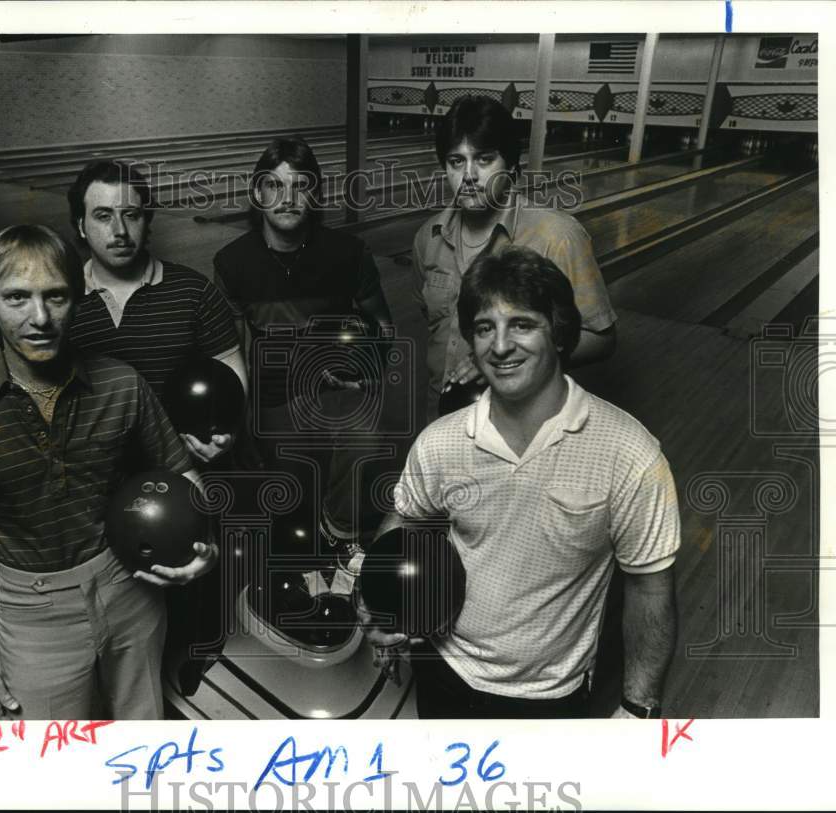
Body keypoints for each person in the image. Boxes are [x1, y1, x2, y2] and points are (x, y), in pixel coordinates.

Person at [361, 247, 679, 719]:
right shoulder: (442, 442)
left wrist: (638, 708)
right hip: (442, 669)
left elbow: (650, 588)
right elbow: (404, 519)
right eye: (485, 327)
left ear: (560, 333)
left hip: (550, 697)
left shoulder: (630, 454)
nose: (501, 345)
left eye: (522, 325)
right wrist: (379, 599)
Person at [0, 224, 218, 720]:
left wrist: (200, 546)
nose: (39, 318)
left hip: (129, 585)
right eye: (17, 297)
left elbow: (182, 473)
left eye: (55, 296)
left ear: (76, 298)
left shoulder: (122, 384)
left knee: (142, 732)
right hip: (33, 611)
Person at [213, 137, 396, 560]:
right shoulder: (232, 262)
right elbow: (231, 351)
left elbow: (383, 325)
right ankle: (295, 547)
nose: (288, 198)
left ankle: (340, 533)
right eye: (275, 186)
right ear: (257, 194)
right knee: (289, 495)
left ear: (314, 193)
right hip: (275, 393)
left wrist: (365, 366)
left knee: (366, 438)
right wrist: (238, 417)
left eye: (300, 185)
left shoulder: (350, 254)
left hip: (339, 393)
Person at [413, 94, 617, 425]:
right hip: (441, 421)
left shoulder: (557, 237)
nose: (469, 175)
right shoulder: (428, 238)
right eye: (456, 161)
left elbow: (603, 339)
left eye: (483, 159)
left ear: (510, 165)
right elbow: (434, 324)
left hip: (528, 424)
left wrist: (500, 356)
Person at [67, 160, 247, 465]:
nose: (119, 230)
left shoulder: (195, 292)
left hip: (185, 465)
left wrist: (225, 434)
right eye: (103, 216)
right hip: (96, 472)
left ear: (146, 221)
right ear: (82, 226)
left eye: (131, 215)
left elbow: (233, 382)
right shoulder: (61, 302)